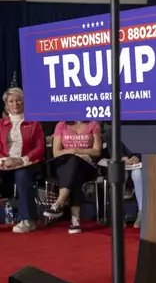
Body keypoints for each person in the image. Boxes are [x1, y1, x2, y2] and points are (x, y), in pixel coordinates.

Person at [44, 121, 102, 234]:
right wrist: (72, 154)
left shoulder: (94, 124)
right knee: (74, 167)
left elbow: (97, 151)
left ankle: (59, 203)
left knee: (76, 167)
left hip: (86, 165)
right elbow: (56, 152)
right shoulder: (61, 125)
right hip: (63, 165)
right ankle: (75, 220)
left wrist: (75, 151)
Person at [0, 88, 45, 233]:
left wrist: (21, 159)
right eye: (11, 101)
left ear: (25, 103)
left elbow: (40, 148)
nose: (15, 104)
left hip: (29, 163)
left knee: (22, 174)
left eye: (19, 100)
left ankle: (27, 219)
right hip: (5, 162)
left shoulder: (33, 123)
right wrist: (4, 160)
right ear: (6, 105)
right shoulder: (1, 124)